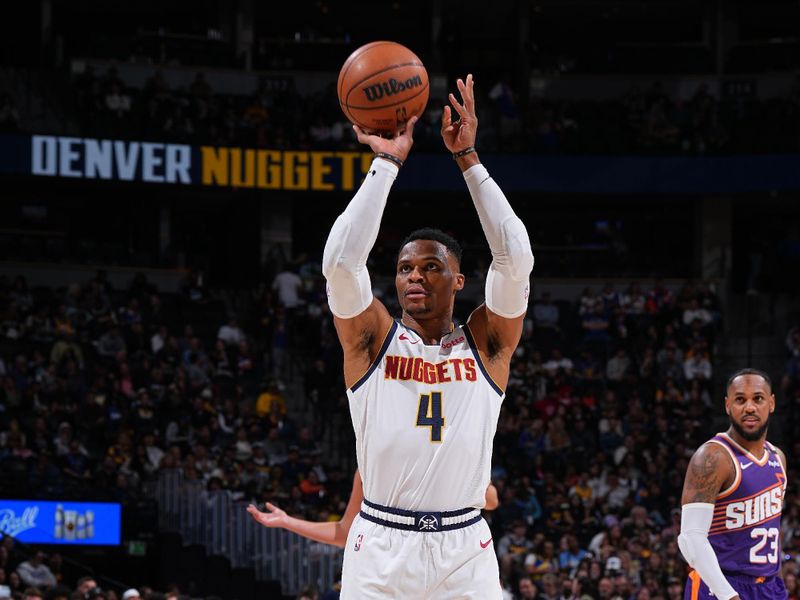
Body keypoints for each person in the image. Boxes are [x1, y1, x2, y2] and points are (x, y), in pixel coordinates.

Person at [320, 73, 533, 599]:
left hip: (463, 550)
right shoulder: (372, 340)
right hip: (381, 544)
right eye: (404, 267)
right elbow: (341, 264)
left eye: (431, 266)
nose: (414, 275)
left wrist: (469, 159)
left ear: (459, 280)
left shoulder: (487, 343)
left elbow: (516, 259)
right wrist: (387, 163)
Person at [677, 368, 788, 599]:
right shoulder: (712, 456)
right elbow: (691, 538)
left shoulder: (778, 457)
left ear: (771, 403)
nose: (749, 407)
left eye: (757, 398)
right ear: (728, 406)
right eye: (740, 400)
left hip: (768, 587)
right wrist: (728, 595)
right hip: (719, 586)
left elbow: (769, 531)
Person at [247, 470, 499, 547]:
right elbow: (346, 533)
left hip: (451, 556)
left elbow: (491, 501)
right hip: (390, 569)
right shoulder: (369, 467)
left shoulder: (459, 453)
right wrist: (287, 521)